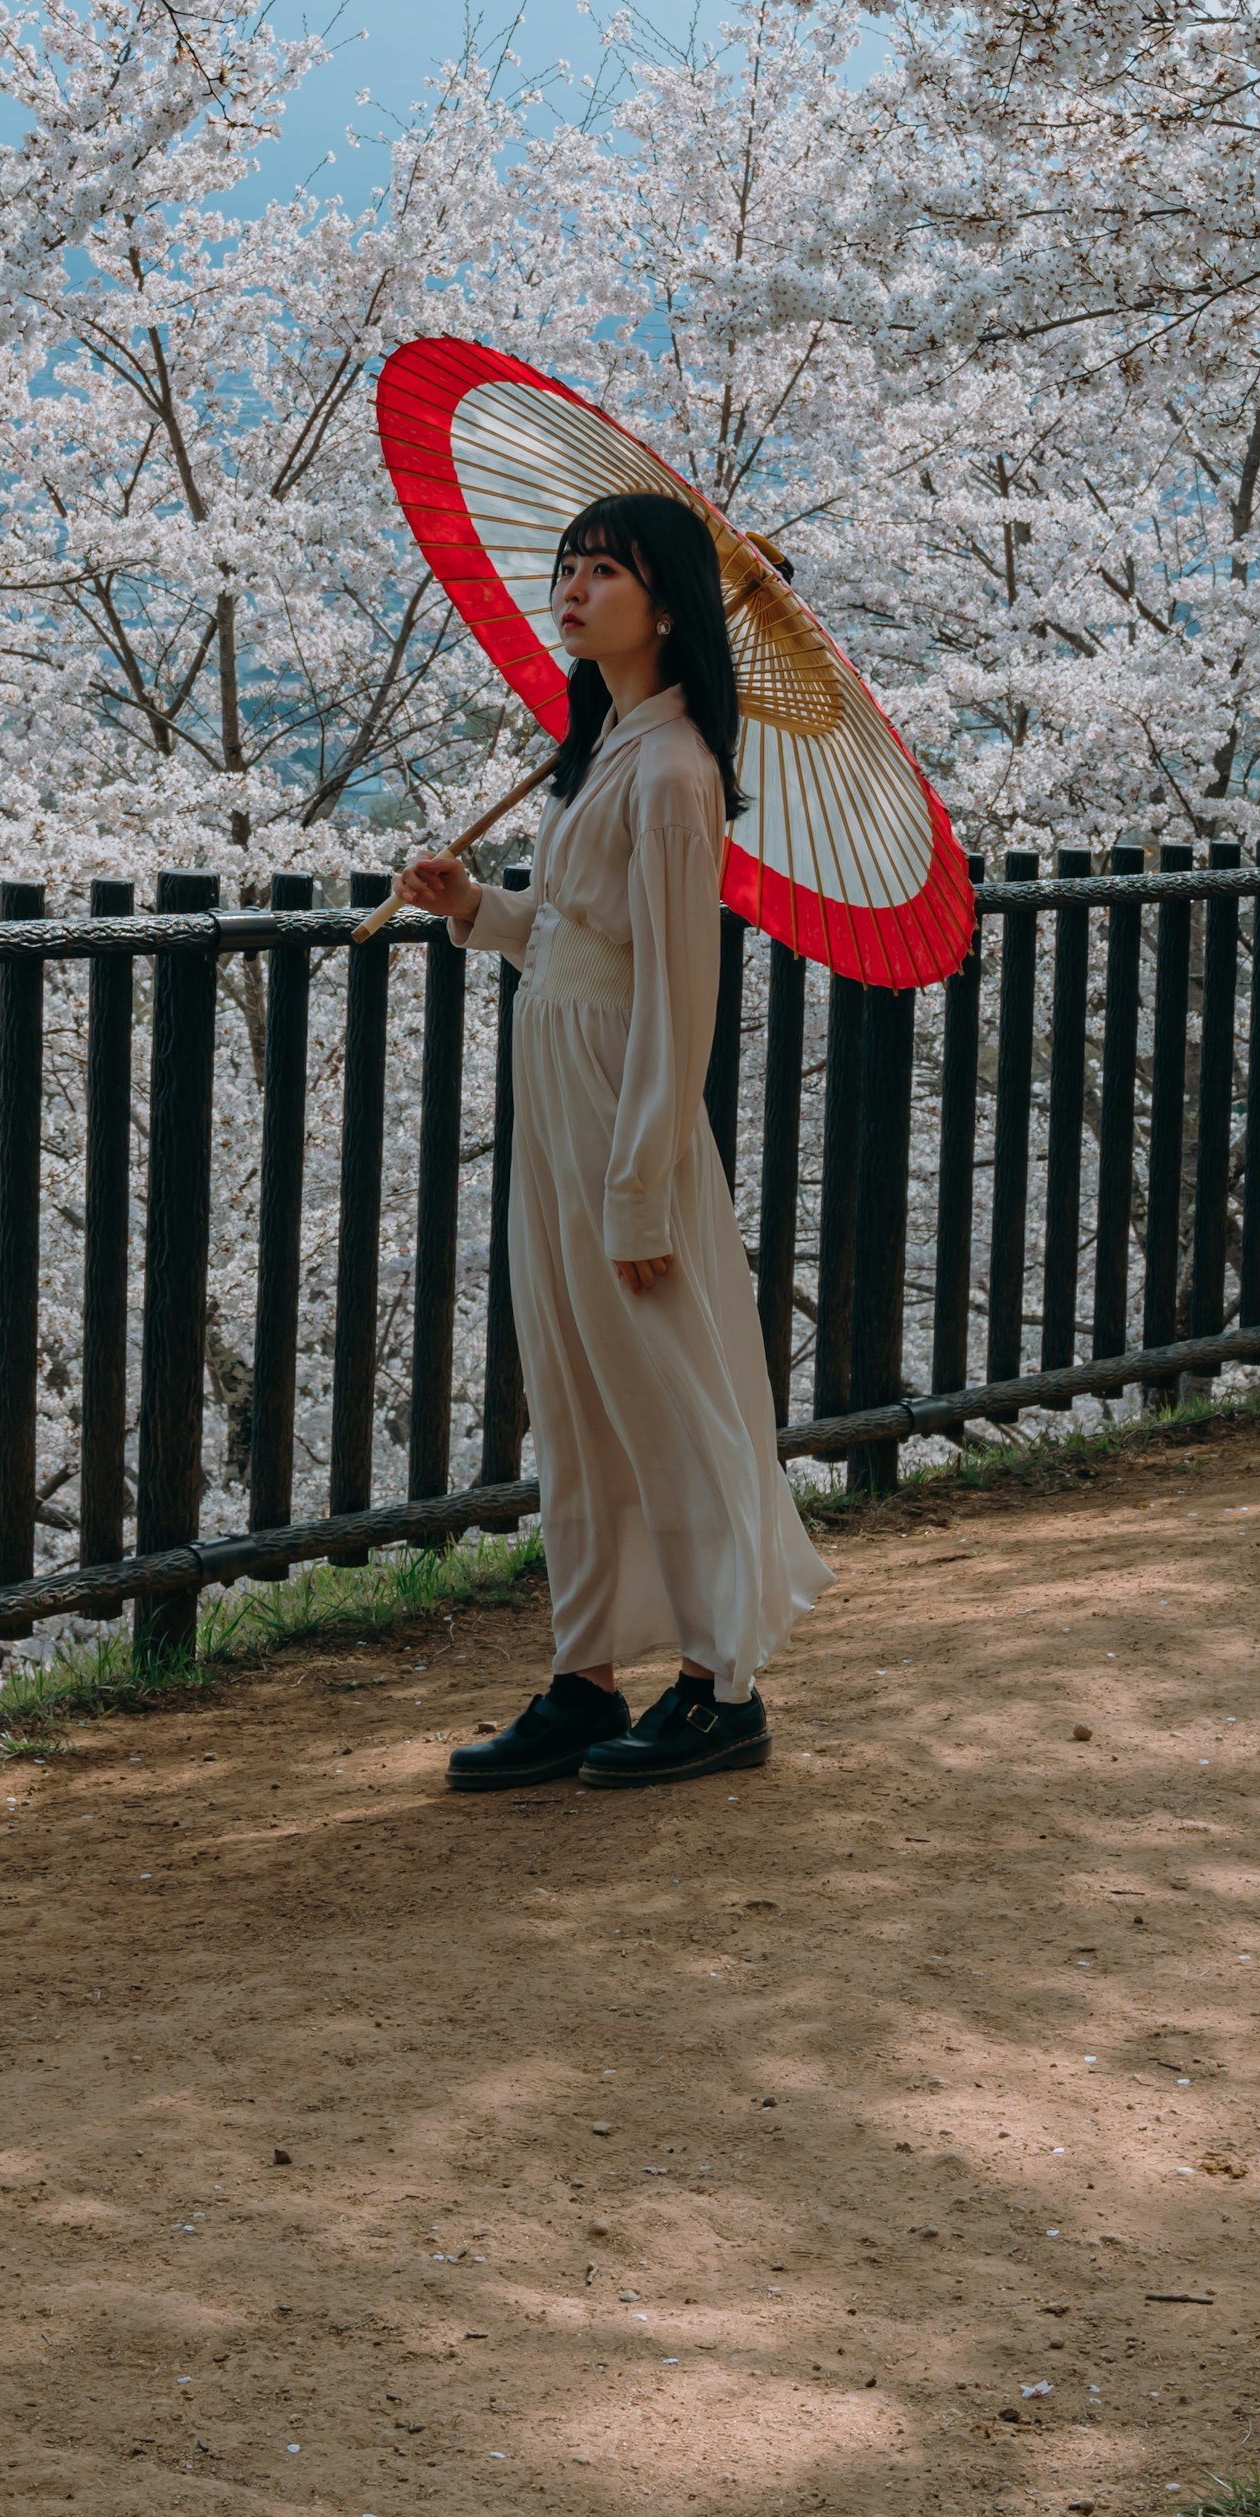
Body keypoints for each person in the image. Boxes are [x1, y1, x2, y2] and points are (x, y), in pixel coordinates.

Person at [395, 492, 827, 1790]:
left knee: (662, 1390)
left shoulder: (680, 770)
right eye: (567, 565)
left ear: (666, 601)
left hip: (620, 1113)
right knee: (577, 1396)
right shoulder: (611, 754)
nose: (572, 587)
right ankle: (585, 1673)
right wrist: (480, 906)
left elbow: (676, 991)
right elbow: (584, 939)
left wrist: (642, 1187)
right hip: (560, 1089)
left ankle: (719, 1682)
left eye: (603, 569)